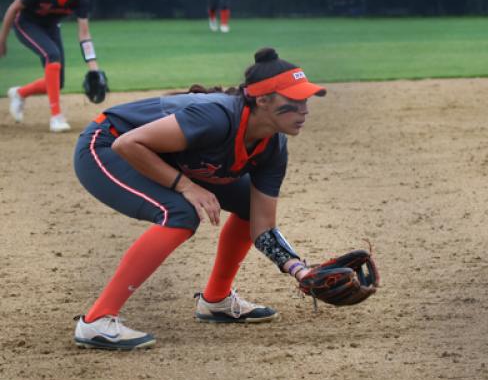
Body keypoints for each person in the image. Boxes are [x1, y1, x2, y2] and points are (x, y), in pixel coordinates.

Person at [73, 47, 326, 350]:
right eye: (294, 101)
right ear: (263, 100)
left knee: (248, 205)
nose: (304, 110)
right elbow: (129, 143)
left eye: (306, 100)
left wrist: (300, 270)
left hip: (160, 156)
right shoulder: (217, 117)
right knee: (180, 212)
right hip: (107, 144)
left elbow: (262, 227)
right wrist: (185, 186)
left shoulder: (273, 147)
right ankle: (97, 321)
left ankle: (216, 301)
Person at [0, 0, 101, 132]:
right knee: (52, 55)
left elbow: (84, 33)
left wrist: (93, 65)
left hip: (50, 27)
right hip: (26, 23)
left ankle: (19, 93)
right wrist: (2, 40)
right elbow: (13, 9)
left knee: (57, 82)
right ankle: (56, 116)